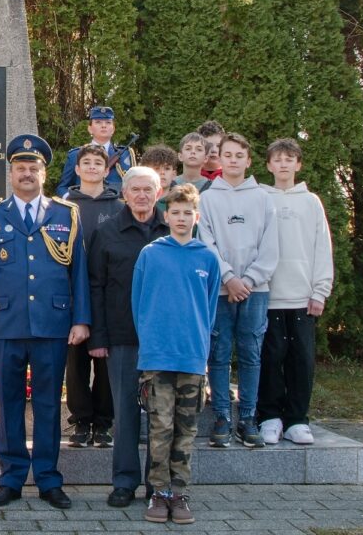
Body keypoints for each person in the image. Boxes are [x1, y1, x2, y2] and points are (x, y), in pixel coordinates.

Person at [0, 135, 90, 510]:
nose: (26, 173)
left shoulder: (65, 214)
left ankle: (49, 479)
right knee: (8, 403)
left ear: (44, 173)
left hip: (53, 323)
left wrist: (81, 319)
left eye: (32, 168)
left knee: (49, 403)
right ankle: (11, 478)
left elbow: (79, 272)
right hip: (7, 323)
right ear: (10, 173)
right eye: (20, 168)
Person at [132, 183, 221, 525]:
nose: (181, 218)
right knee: (160, 428)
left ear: (196, 217)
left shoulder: (207, 257)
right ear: (165, 216)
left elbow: (209, 308)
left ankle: (180, 493)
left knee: (186, 430)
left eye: (188, 213)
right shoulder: (151, 254)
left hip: (191, 357)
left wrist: (199, 349)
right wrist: (151, 341)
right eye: (175, 213)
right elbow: (138, 303)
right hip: (157, 357)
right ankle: (159, 492)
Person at [87, 167, 169, 508]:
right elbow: (95, 286)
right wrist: (98, 337)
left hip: (164, 339)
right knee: (124, 414)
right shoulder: (107, 232)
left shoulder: (173, 230)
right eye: (135, 189)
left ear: (159, 193)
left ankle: (157, 483)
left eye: (148, 189)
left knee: (161, 416)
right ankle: (124, 481)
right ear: (124, 194)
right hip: (122, 336)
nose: (142, 195)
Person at [198, 132, 279, 449]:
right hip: (220, 290)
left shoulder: (263, 198)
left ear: (249, 160)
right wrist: (229, 277)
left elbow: (270, 246)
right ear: (219, 158)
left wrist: (249, 280)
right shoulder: (208, 198)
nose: (233, 160)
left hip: (255, 290)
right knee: (218, 355)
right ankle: (222, 416)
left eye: (239, 155)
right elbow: (206, 242)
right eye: (227, 154)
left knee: (250, 354)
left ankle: (247, 418)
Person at [257, 138, 334, 446]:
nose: (284, 164)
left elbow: (322, 247)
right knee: (270, 358)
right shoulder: (262, 198)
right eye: (277, 159)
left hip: (302, 296)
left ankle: (297, 419)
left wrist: (320, 291)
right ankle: (269, 417)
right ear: (269, 165)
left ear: (298, 164)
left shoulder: (311, 201)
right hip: (268, 295)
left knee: (301, 361)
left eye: (289, 159)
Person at [61, 144, 122, 449]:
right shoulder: (63, 206)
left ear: (106, 169)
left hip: (109, 294)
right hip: (73, 292)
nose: (92, 168)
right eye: (86, 163)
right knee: (76, 361)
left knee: (106, 360)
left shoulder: (119, 206)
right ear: (77, 169)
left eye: (98, 163)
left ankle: (103, 422)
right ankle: (81, 420)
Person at [55, 106, 133, 196]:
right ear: (90, 129)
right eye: (98, 122)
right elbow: (62, 187)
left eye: (108, 122)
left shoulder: (125, 155)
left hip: (116, 203)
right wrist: (73, 200)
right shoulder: (75, 155)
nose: (103, 126)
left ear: (113, 129)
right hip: (84, 203)